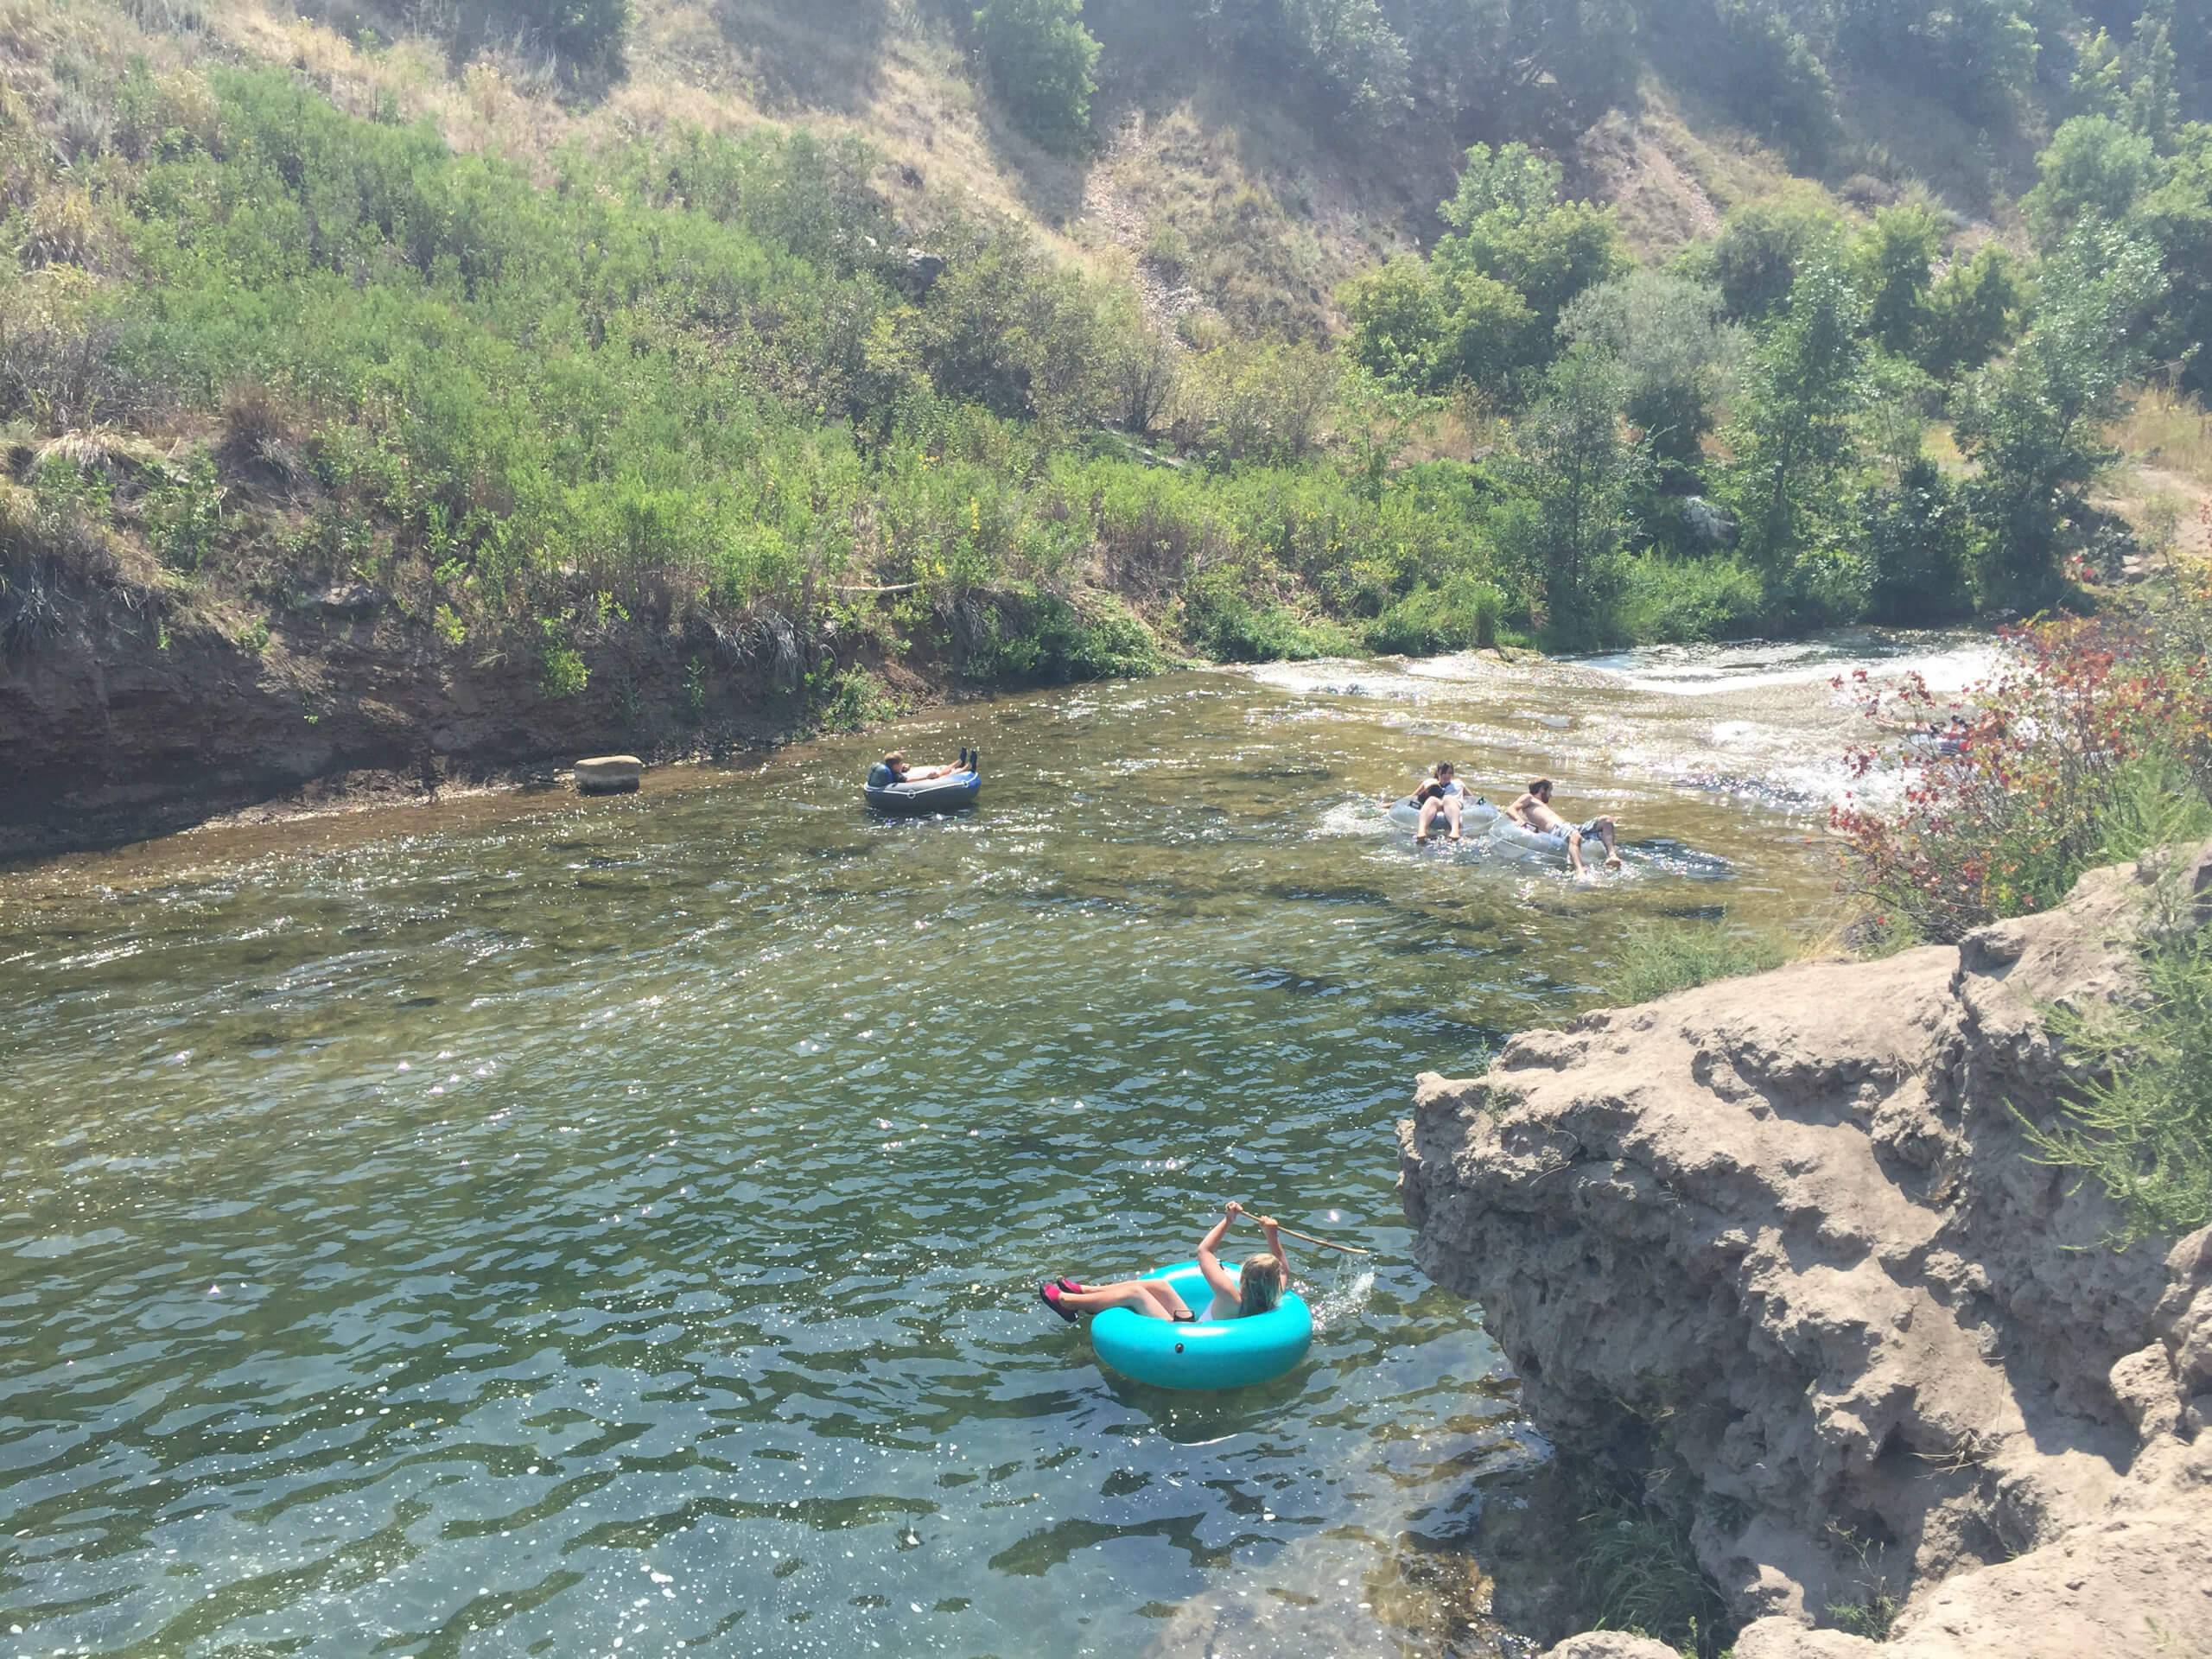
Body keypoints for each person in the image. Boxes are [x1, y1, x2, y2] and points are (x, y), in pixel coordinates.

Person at [1039, 1202, 1288, 1324]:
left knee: (1137, 1293)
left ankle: (1067, 1302)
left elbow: (1204, 1252)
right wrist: (1272, 1236)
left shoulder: (1230, 1296)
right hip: (1191, 1326)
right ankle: (1086, 1292)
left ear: (1244, 1278)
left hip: (1186, 1337)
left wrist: (1228, 1220)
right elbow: (1283, 1269)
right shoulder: (1272, 1298)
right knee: (1158, 1286)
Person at [1504, 777, 1621, 875]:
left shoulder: (1540, 805)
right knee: (1575, 836)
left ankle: (1612, 856)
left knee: (1607, 820)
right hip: (1556, 828)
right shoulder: (1529, 797)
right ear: (1542, 789)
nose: (1551, 795)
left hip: (1568, 826)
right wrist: (1519, 820)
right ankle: (1580, 870)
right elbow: (1511, 809)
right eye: (1550, 791)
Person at [1409, 760, 1468, 844]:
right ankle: (1421, 831)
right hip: (1438, 805)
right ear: (1438, 772)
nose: (1447, 775)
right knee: (1431, 799)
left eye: (1450, 773)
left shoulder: (1459, 784)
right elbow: (1411, 798)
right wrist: (1389, 805)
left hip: (1453, 804)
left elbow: (1472, 799)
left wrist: (1482, 802)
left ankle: (1454, 832)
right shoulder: (1430, 783)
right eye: (1444, 772)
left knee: (1448, 798)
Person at [867, 749, 960, 789]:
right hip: (908, 787)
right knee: (939, 775)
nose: (902, 765)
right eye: (901, 764)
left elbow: (900, 770)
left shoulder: (892, 771)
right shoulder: (897, 776)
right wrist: (927, 777)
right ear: (895, 766)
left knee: (940, 772)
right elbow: (908, 781)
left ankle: (958, 763)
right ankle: (961, 767)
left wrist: (903, 768)